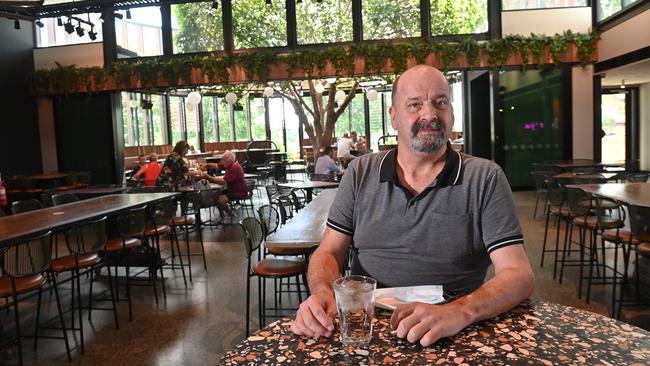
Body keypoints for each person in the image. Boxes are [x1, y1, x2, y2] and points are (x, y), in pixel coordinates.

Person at [291, 65, 534, 347]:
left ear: (451, 113)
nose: (429, 114)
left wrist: (459, 311)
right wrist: (322, 292)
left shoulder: (484, 178)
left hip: (453, 327)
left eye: (440, 103)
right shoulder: (360, 172)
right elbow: (329, 251)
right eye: (414, 104)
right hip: (368, 326)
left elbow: (518, 275)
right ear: (394, 117)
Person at [201, 150, 247, 217]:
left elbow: (222, 182)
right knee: (215, 195)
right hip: (232, 189)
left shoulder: (235, 167)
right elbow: (216, 166)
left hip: (239, 192)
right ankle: (222, 215)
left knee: (221, 200)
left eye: (223, 160)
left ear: (229, 160)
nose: (222, 161)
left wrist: (207, 177)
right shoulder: (230, 164)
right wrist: (206, 165)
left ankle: (230, 214)